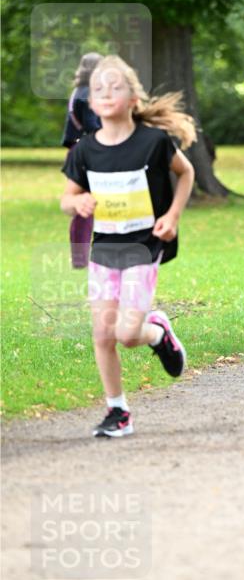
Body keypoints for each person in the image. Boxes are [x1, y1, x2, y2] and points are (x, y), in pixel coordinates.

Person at [60, 55, 196, 437]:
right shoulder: (85, 149)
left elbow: (186, 174)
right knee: (103, 335)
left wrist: (172, 216)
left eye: (115, 86)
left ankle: (157, 332)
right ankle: (117, 411)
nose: (105, 93)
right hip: (103, 252)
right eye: (98, 88)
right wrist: (78, 203)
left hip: (142, 249)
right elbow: (66, 198)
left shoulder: (153, 142)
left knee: (127, 334)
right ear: (90, 100)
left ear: (133, 97)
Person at [62, 53, 103, 269]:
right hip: (90, 151)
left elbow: (69, 133)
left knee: (83, 205)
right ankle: (81, 257)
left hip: (78, 150)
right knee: (85, 206)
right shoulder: (87, 93)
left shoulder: (77, 92)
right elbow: (91, 126)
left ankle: (79, 256)